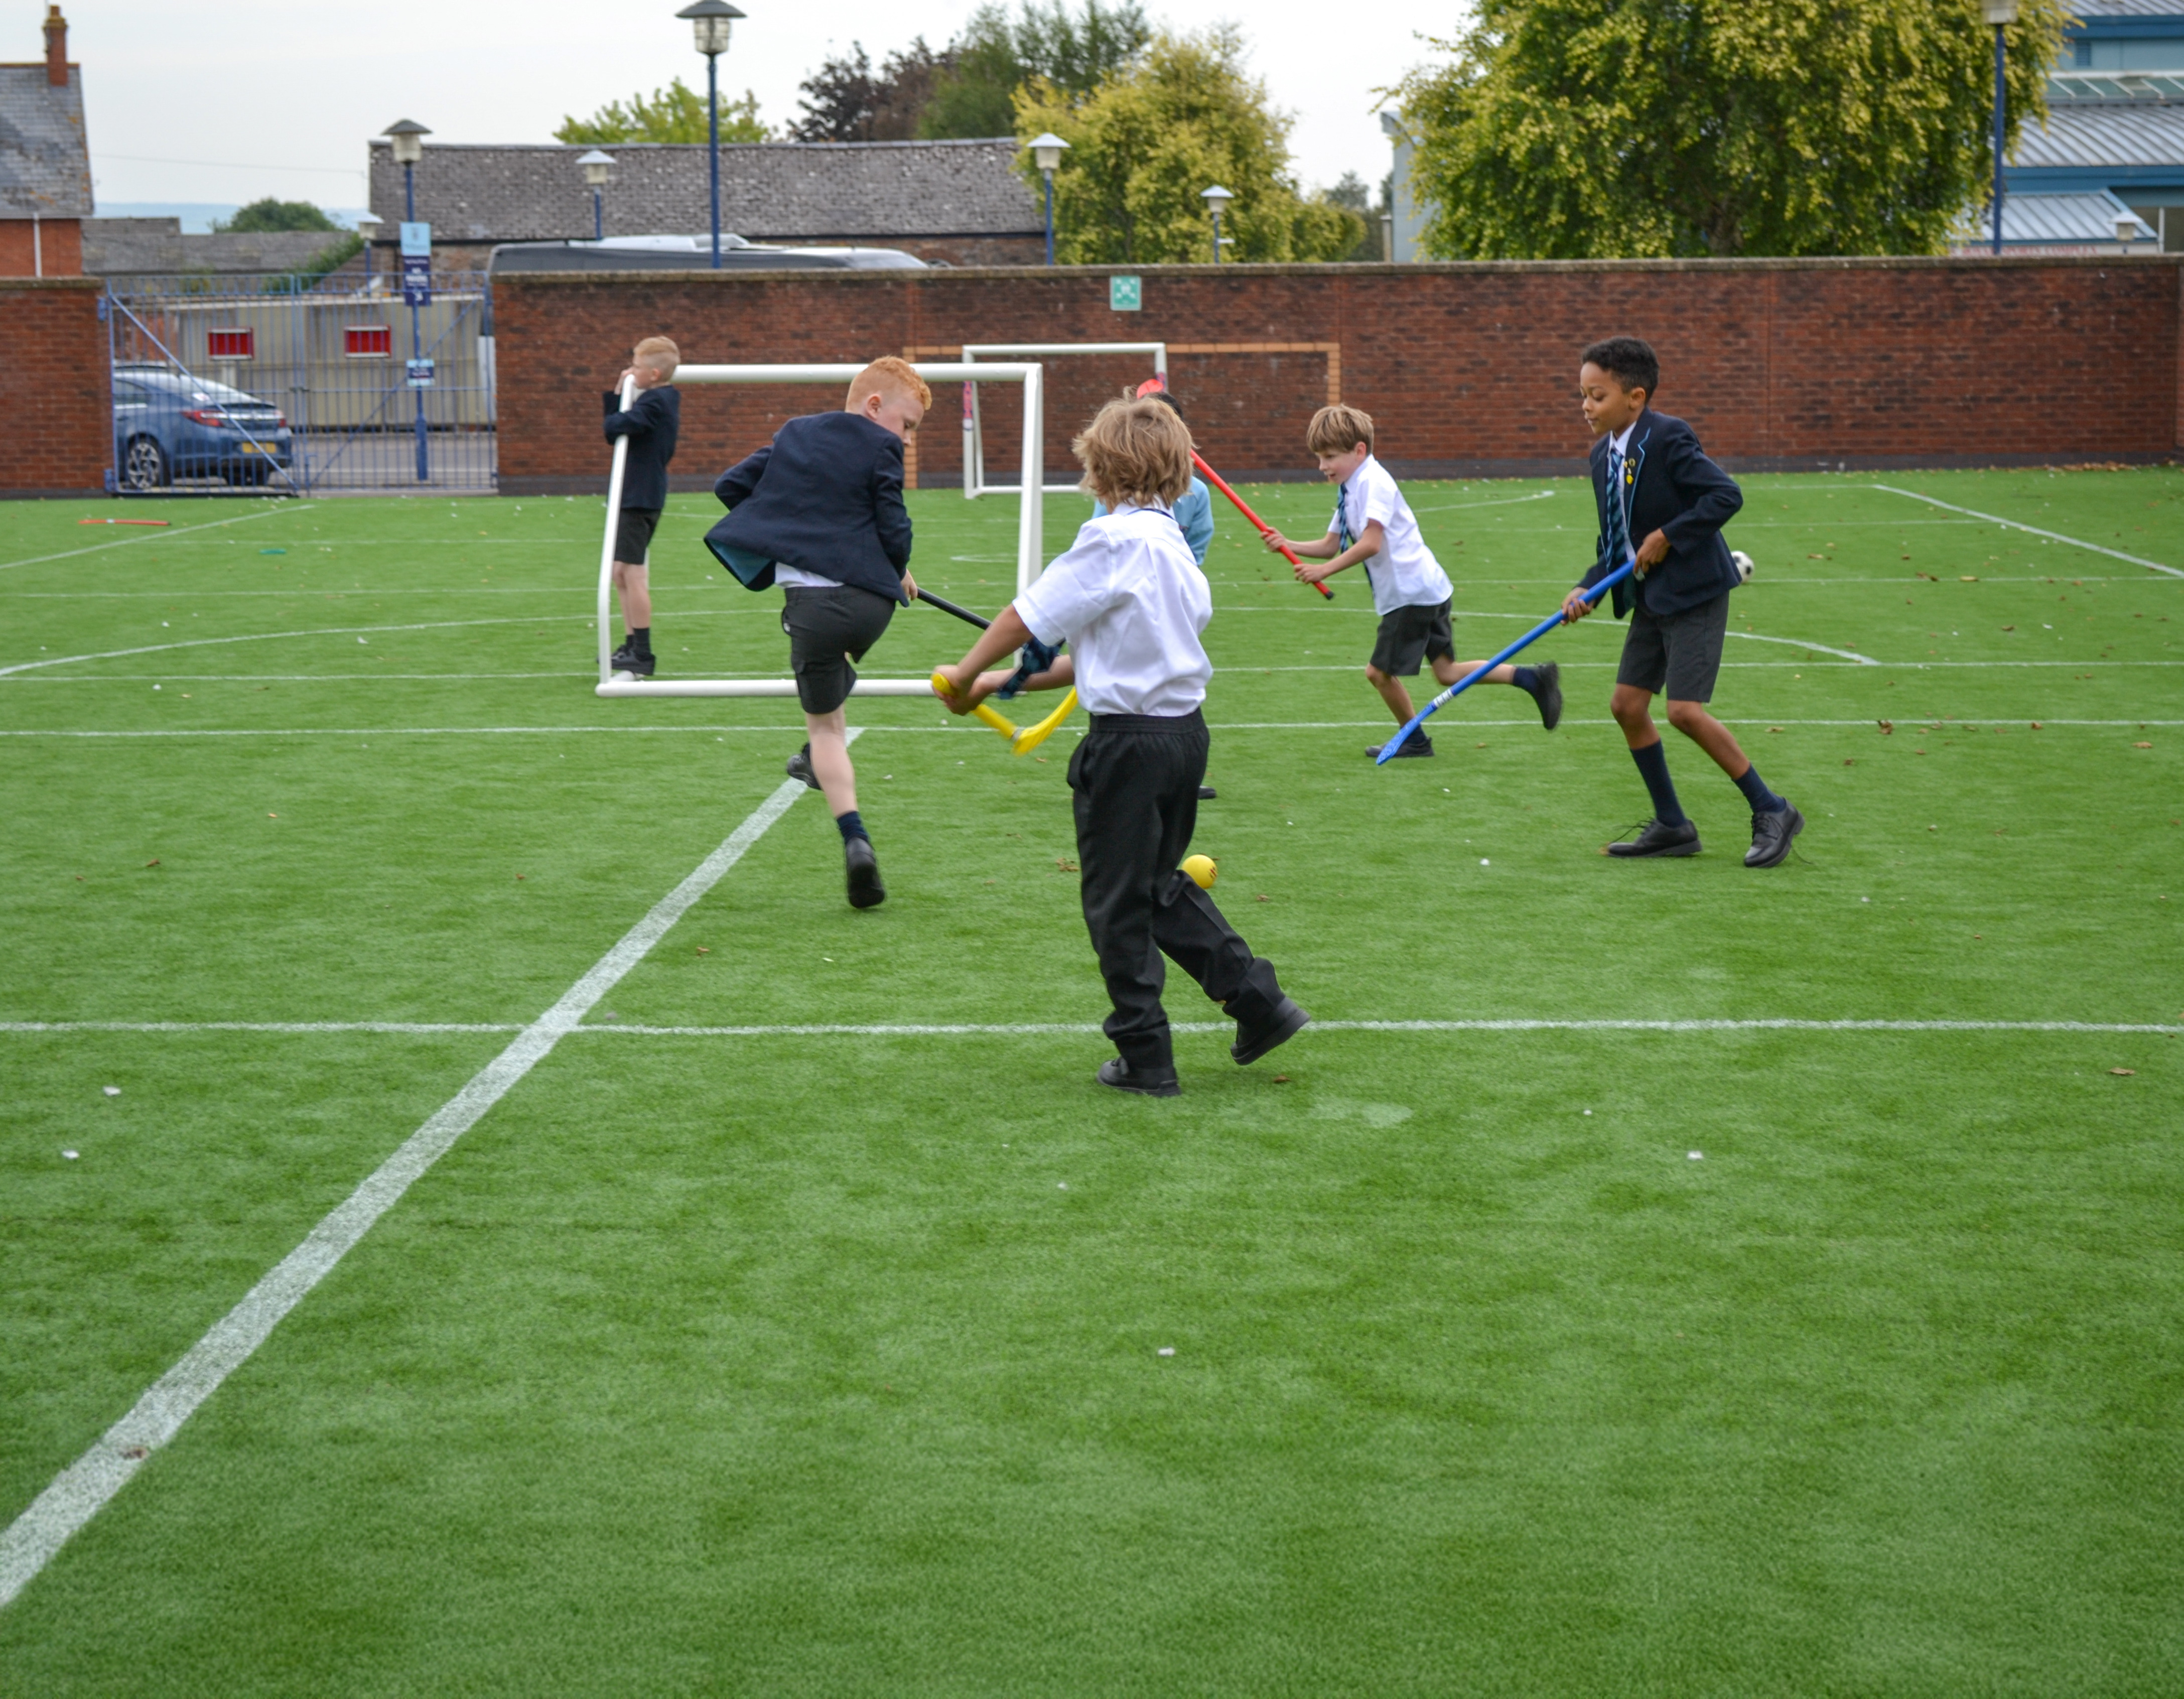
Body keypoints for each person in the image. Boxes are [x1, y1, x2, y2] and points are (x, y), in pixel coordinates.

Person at [935, 395, 1309, 1098]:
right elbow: (1099, 657)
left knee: (1116, 903)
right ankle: (1259, 1002)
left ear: (1100, 469)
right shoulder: (1173, 549)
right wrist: (993, 683)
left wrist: (961, 672)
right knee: (1157, 884)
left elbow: (1024, 616)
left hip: (1128, 746)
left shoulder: (1109, 541)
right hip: (1183, 737)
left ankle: (1145, 1054)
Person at [1559, 336, 1802, 867]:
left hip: (1694, 591)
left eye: (1597, 396)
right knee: (1626, 706)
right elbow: (1617, 542)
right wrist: (1587, 586)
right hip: (1652, 596)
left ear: (1636, 398)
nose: (1585, 406)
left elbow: (1724, 495)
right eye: (1582, 395)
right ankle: (1672, 825)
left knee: (1684, 712)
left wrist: (1669, 535)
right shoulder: (1601, 456)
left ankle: (1773, 808)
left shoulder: (1667, 437)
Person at [704, 355, 927, 909]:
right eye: (906, 425)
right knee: (833, 685)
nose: (905, 439)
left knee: (827, 727)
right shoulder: (881, 447)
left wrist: (782, 524)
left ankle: (855, 839)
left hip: (812, 609)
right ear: (874, 407)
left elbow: (730, 485)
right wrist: (898, 566)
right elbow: (893, 523)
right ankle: (812, 755)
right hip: (873, 606)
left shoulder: (795, 435)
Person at [1261, 404, 1562, 760]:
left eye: (1330, 457)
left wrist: (1323, 572)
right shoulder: (1351, 487)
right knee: (1447, 672)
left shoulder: (1373, 483)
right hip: (1425, 588)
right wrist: (1288, 544)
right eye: (1319, 458)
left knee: (1378, 674)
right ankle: (1531, 679)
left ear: (1359, 450)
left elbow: (1371, 543)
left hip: (1410, 594)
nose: (1322, 466)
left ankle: (1415, 739)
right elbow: (1331, 544)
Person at [1095, 380, 1217, 798]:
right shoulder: (1117, 494)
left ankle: (1180, 773)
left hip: (1172, 603)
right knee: (1125, 687)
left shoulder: (1197, 494)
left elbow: (1195, 549)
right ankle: (1110, 771)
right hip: (1126, 601)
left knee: (1176, 681)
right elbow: (1099, 543)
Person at [601, 336, 681, 679]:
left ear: (653, 374)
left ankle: (643, 653)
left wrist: (619, 393)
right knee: (620, 572)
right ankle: (632, 644)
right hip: (634, 494)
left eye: (635, 367)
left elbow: (614, 427)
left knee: (632, 573)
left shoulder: (656, 402)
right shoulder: (656, 399)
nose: (630, 372)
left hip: (640, 496)